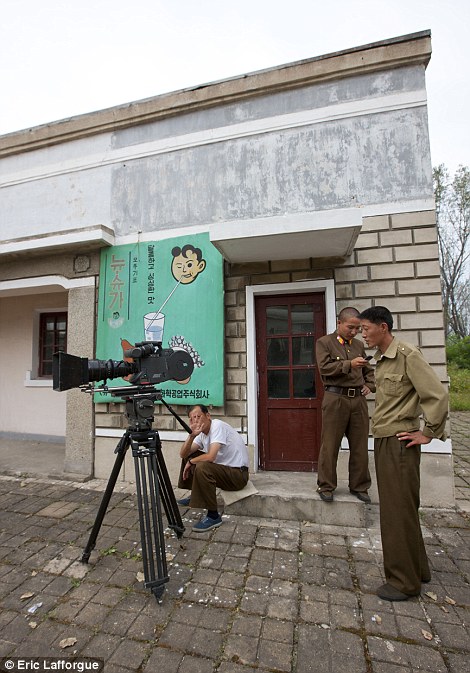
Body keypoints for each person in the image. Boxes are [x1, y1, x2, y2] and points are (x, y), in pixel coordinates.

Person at [359, 306, 448, 602]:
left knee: (396, 513)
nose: (363, 334)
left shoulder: (407, 354)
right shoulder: (382, 361)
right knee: (402, 509)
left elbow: (436, 394)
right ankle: (417, 570)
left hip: (399, 443)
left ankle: (402, 583)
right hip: (386, 440)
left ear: (382, 327)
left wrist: (429, 432)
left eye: (366, 328)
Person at [316, 307, 375, 503]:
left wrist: (369, 385)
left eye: (358, 328)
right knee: (330, 444)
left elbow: (368, 371)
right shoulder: (324, 343)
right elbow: (324, 368)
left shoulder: (358, 345)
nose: (354, 332)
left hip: (358, 400)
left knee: (359, 445)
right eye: (351, 327)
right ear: (339, 323)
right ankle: (326, 486)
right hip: (335, 398)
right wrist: (349, 364)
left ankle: (359, 486)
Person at [177, 404, 249, 532]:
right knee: (190, 455)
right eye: (193, 419)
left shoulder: (217, 426)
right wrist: (192, 435)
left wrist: (192, 462)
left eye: (199, 417)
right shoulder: (201, 433)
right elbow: (183, 454)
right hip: (224, 470)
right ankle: (194, 495)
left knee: (202, 465)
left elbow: (210, 457)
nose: (196, 421)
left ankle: (213, 516)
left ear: (208, 416)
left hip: (238, 475)